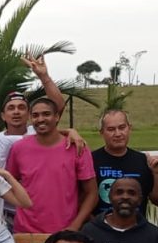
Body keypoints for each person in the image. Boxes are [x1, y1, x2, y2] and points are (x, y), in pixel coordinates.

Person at [6, 97, 98, 233]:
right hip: (25, 232)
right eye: (35, 115)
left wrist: (75, 226)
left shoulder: (76, 147)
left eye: (46, 114)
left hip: (64, 232)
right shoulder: (19, 148)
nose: (41, 119)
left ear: (57, 117)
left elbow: (92, 193)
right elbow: (9, 183)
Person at [92, 110, 158, 216]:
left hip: (136, 228)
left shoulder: (142, 160)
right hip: (101, 228)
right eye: (111, 129)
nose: (117, 134)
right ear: (101, 132)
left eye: (122, 127)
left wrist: (157, 174)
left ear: (129, 128)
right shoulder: (91, 161)